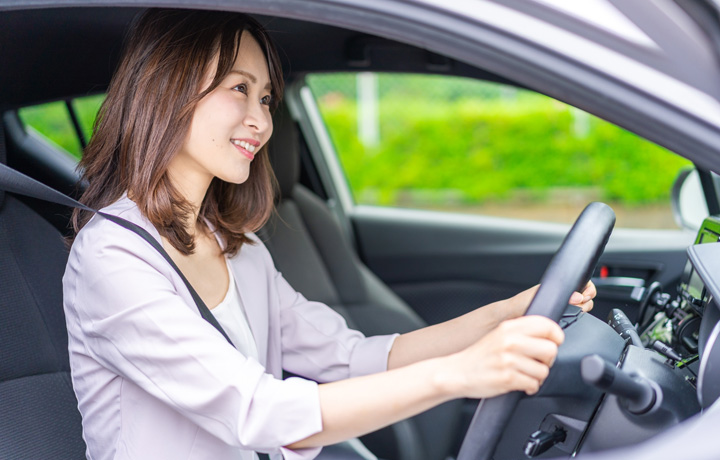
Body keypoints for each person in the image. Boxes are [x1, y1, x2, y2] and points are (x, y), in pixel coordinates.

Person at [62, 8, 596, 460]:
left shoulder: (238, 248)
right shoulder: (112, 258)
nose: (261, 120)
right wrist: (459, 375)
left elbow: (353, 356)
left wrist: (504, 315)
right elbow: (258, 410)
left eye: (267, 98)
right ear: (168, 90)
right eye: (239, 89)